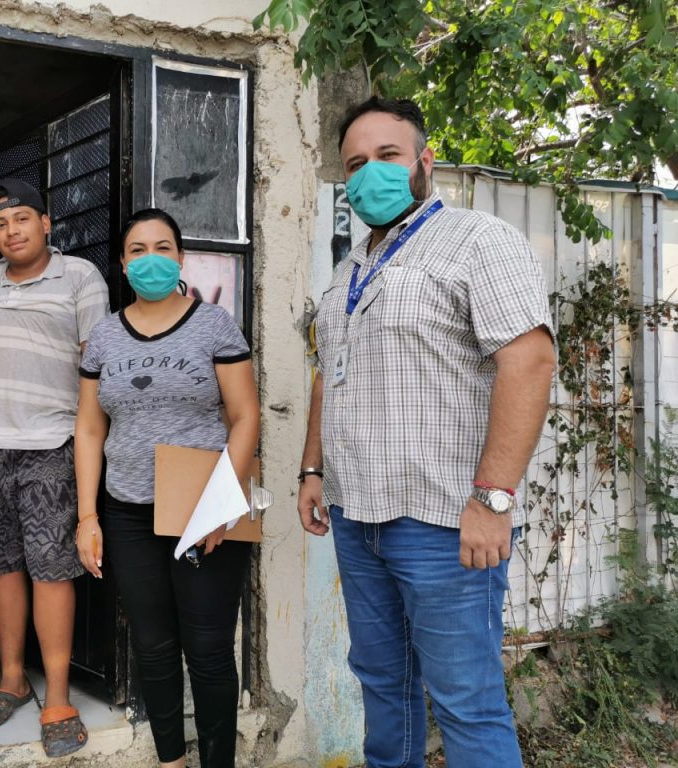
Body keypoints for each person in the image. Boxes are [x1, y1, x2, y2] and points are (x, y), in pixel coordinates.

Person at [297, 96, 556, 768]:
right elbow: (329, 372)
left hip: (444, 523)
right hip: (357, 517)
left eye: (387, 155)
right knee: (382, 685)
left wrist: (493, 498)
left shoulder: (478, 240)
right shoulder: (349, 269)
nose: (370, 174)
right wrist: (312, 469)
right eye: (356, 163)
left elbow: (528, 361)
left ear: (424, 160)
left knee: (467, 701)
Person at [74, 208, 260, 768]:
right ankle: (170, 762)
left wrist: (221, 506)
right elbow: (89, 428)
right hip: (127, 511)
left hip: (202, 508)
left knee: (207, 648)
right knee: (152, 647)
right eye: (137, 250)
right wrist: (88, 516)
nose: (150, 259)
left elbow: (245, 416)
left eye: (162, 248)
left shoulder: (215, 324)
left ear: (181, 258)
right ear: (122, 263)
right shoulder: (104, 335)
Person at [0, 178, 109, 758]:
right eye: (0, 224)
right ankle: (13, 679)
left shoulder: (81, 277)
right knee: (2, 566)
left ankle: (58, 697)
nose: (11, 231)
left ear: (46, 223)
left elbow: (96, 365)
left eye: (21, 219)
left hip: (51, 441)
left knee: (51, 569)